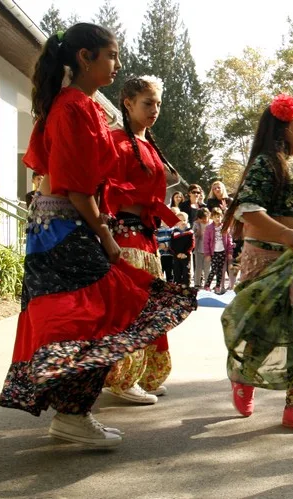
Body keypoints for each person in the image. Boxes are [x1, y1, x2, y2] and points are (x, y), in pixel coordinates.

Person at [0, 23, 195, 447]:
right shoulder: (73, 107)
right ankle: (72, 413)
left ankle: (73, 413)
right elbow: (75, 184)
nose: (117, 64)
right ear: (85, 58)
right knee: (96, 314)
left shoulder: (76, 105)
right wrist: (106, 236)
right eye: (110, 55)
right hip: (67, 225)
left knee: (91, 316)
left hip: (62, 223)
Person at [221, 94, 293, 432]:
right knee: (260, 329)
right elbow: (249, 210)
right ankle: (244, 378)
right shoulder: (266, 163)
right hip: (265, 258)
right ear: (283, 126)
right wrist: (284, 235)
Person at [102, 74, 189, 404]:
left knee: (149, 307)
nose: (155, 110)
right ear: (128, 103)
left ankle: (144, 374)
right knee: (134, 308)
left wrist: (171, 219)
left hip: (147, 239)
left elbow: (150, 199)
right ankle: (123, 378)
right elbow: (111, 193)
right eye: (147, 103)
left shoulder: (147, 144)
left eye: (158, 104)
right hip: (125, 239)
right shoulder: (116, 141)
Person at [203, 208, 233, 293]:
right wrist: (207, 254)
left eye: (219, 216)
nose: (217, 218)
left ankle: (217, 286)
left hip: (222, 251)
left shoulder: (225, 227)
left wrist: (230, 252)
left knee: (220, 270)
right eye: (215, 217)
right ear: (212, 217)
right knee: (214, 269)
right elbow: (206, 242)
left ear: (222, 217)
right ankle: (207, 285)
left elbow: (229, 239)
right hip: (214, 252)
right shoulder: (209, 228)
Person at [169, 212, 195, 286]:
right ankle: (177, 286)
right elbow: (171, 245)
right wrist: (176, 254)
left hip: (186, 256)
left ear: (187, 221)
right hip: (177, 256)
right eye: (180, 220)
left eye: (184, 220)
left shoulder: (190, 232)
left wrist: (186, 253)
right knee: (177, 271)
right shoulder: (174, 233)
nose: (182, 222)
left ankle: (186, 287)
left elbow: (192, 244)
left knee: (186, 272)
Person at [192, 208, 209, 286]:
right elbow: (192, 236)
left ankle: (207, 283)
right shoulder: (196, 224)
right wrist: (197, 233)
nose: (204, 220)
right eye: (202, 219)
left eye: (205, 218)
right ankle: (197, 283)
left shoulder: (211, 224)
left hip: (208, 249)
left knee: (207, 268)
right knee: (198, 267)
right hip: (198, 248)